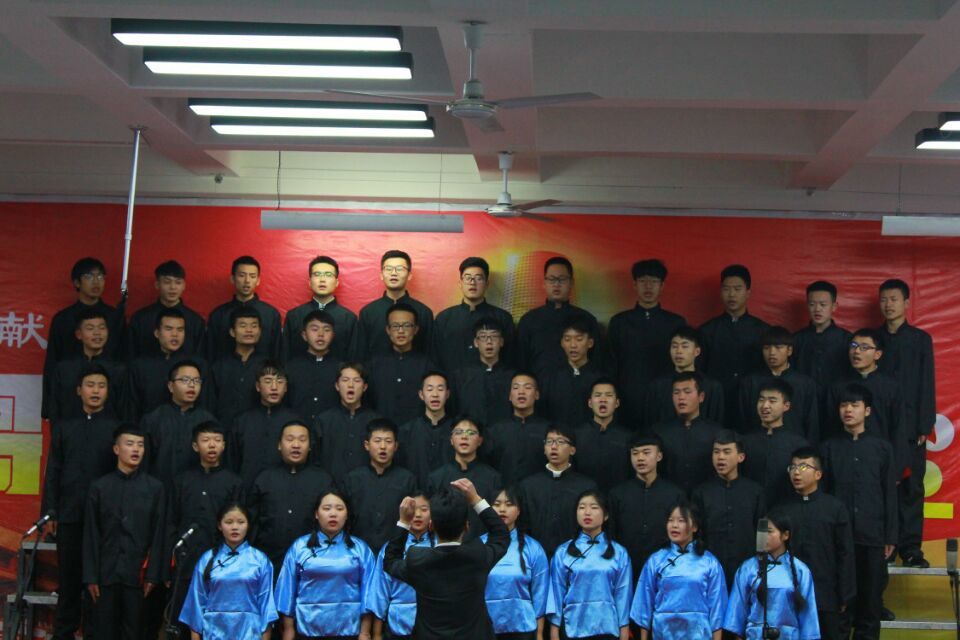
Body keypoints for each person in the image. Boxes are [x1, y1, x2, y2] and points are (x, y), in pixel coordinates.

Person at [42, 364, 119, 640]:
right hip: (70, 513)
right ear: (78, 390)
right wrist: (51, 512)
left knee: (98, 581)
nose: (96, 391)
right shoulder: (65, 427)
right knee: (69, 579)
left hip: (104, 517)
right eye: (90, 385)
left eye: (101, 386)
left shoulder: (116, 428)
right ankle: (64, 633)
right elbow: (53, 471)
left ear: (108, 391)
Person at [383, 478, 510, 639]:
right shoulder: (478, 555)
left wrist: (404, 522)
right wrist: (475, 499)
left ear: (431, 526)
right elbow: (501, 535)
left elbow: (390, 561)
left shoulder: (417, 560)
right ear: (467, 526)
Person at [820, 384, 897, 640]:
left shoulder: (882, 448)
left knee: (870, 603)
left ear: (868, 411)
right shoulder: (828, 447)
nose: (848, 410)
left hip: (872, 535)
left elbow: (889, 494)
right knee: (839, 602)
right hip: (838, 537)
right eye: (844, 405)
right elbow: (824, 495)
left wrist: (890, 535)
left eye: (854, 405)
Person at [82, 425, 166, 640]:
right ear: (116, 449)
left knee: (135, 632)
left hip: (138, 575)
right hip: (105, 575)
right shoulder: (100, 487)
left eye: (140, 445)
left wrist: (153, 574)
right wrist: (91, 576)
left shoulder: (155, 488)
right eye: (130, 444)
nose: (136, 449)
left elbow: (158, 535)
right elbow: (91, 535)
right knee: (103, 632)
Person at [877, 278, 936, 568]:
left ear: (906, 303)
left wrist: (925, 424)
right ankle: (884, 548)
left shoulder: (920, 339)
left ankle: (911, 549)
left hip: (911, 429)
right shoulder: (873, 340)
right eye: (884, 299)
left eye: (894, 299)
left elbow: (927, 382)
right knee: (880, 490)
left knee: (912, 488)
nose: (888, 305)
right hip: (878, 428)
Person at [166, 422, 243, 632]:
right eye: (206, 440)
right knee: (182, 624)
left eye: (217, 440)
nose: (212, 445)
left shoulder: (234, 482)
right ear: (195, 446)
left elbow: (238, 527)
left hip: (221, 565)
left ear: (224, 445)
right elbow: (171, 523)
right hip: (185, 565)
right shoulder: (181, 481)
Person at [275, 490, 376, 639]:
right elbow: (286, 590)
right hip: (306, 631)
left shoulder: (360, 549)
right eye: (327, 508)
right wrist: (288, 630)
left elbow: (369, 593)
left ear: (347, 514)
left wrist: (365, 632)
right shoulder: (299, 547)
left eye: (339, 509)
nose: (333, 514)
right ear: (316, 514)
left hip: (350, 631)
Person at [780, 446, 855, 640]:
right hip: (788, 594)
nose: (796, 472)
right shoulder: (780, 510)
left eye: (803, 467)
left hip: (826, 594)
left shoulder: (835, 508)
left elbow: (845, 553)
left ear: (818, 474)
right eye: (793, 467)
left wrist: (845, 593)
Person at [180, 502, 278, 640]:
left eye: (241, 522)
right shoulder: (207, 559)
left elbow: (267, 606)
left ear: (248, 525)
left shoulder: (260, 560)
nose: (235, 527)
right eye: (229, 522)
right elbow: (196, 603)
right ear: (219, 525)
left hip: (249, 632)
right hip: (214, 632)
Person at [630, 501, 727, 640]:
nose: (674, 525)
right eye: (670, 520)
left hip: (698, 634)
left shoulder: (709, 562)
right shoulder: (656, 560)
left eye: (681, 521)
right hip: (664, 634)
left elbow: (718, 608)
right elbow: (643, 604)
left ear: (694, 527)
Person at [248, 421, 336, 574]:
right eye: (290, 439)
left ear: (309, 446)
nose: (296, 445)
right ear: (279, 445)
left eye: (302, 440)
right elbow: (252, 523)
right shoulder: (264, 479)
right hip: (269, 562)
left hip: (313, 562)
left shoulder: (323, 480)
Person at [607, 259, 686, 428]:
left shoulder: (676, 323)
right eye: (643, 281)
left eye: (654, 281)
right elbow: (611, 364)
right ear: (634, 285)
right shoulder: (619, 322)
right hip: (627, 399)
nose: (648, 287)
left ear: (662, 285)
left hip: (665, 398)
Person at [43, 257, 125, 420]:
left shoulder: (114, 317)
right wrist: (48, 408)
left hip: (107, 395)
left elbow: (123, 355)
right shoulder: (63, 319)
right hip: (70, 392)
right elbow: (52, 361)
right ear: (77, 282)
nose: (96, 281)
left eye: (100, 276)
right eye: (89, 276)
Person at [547, 490, 632, 640]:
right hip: (572, 628)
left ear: (606, 515)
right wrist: (554, 630)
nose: (587, 512)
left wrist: (624, 629)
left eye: (594, 507)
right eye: (582, 507)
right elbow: (556, 593)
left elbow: (623, 594)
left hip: (607, 629)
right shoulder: (563, 552)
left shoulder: (619, 553)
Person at [723, 510, 820, 640]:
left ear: (785, 535)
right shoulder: (747, 569)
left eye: (769, 532)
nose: (763, 537)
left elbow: (809, 621)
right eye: (761, 532)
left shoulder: (801, 570)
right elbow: (737, 616)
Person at [691, 430, 766, 588]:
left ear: (740, 457)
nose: (720, 457)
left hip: (748, 569)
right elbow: (695, 534)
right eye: (716, 452)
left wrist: (760, 563)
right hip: (709, 570)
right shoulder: (701, 492)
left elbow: (762, 531)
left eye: (726, 452)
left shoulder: (755, 492)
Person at [699, 264, 769, 429]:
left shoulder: (763, 331)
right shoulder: (707, 331)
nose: (731, 294)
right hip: (716, 402)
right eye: (726, 289)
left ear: (748, 292)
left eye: (737, 289)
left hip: (752, 401)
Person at [823, 329, 908, 461]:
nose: (856, 351)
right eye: (853, 346)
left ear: (877, 354)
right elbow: (830, 425)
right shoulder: (837, 386)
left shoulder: (891, 387)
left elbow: (898, 429)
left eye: (864, 347)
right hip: (844, 456)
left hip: (879, 457)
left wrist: (896, 466)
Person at [608, 434, 684, 580]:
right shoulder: (617, 494)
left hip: (666, 568)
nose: (640, 458)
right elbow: (612, 533)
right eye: (635, 453)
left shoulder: (675, 494)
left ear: (659, 456)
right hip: (626, 567)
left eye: (646, 452)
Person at [517, 256, 601, 380]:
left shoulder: (587, 319)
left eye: (562, 279)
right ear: (544, 283)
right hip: (539, 388)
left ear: (571, 283)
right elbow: (521, 362)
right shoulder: (529, 320)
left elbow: (597, 361)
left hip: (578, 387)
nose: (556, 284)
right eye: (551, 279)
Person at [140, 359, 218, 492]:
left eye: (196, 381)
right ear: (171, 386)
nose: (192, 385)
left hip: (196, 490)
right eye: (185, 380)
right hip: (160, 488)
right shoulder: (153, 419)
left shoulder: (208, 420)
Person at [518, 427, 598, 556]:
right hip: (535, 556)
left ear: (572, 450)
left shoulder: (586, 486)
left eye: (560, 442)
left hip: (577, 556)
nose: (554, 447)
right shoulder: (527, 486)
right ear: (544, 449)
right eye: (549, 442)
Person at [366, 492, 435, 640]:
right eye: (413, 510)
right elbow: (380, 593)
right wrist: (376, 635)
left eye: (424, 509)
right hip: (398, 628)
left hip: (434, 628)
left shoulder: (440, 545)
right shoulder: (391, 549)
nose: (418, 515)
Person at [483, 487, 549, 640]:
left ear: (519, 510)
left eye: (509, 504)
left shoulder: (533, 548)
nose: (502, 509)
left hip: (522, 629)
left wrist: (539, 634)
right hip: (485, 629)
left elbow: (540, 594)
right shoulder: (479, 545)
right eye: (497, 504)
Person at [342, 418, 418, 551]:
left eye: (388, 441)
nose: (383, 446)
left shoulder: (407, 479)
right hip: (358, 549)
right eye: (377, 441)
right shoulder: (352, 479)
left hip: (397, 550)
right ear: (367, 445)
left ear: (396, 446)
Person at [433, 256, 516, 373]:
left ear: (487, 284)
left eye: (478, 278)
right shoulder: (444, 318)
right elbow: (435, 358)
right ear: (460, 283)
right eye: (468, 278)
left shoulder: (502, 318)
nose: (472, 282)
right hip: (452, 382)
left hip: (492, 381)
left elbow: (511, 358)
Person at [124, 308, 209, 421]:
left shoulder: (198, 365)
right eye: (169, 329)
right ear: (157, 333)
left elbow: (205, 404)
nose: (175, 334)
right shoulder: (140, 366)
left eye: (180, 329)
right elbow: (132, 408)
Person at [739, 326, 819, 441]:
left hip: (795, 446)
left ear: (789, 350)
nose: (772, 352)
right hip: (757, 443)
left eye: (778, 347)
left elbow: (812, 424)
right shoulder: (750, 382)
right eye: (767, 348)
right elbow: (743, 421)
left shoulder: (805, 383)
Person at [45, 307, 126, 422]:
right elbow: (55, 409)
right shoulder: (64, 370)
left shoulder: (119, 370)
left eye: (102, 328)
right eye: (90, 328)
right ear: (79, 334)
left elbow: (124, 410)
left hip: (108, 430)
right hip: (70, 430)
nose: (97, 333)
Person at [428, 416, 502, 538]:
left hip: (483, 545)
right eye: (459, 432)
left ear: (480, 440)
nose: (464, 437)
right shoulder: (436, 477)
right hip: (446, 545)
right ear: (451, 440)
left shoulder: (493, 477)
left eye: (471, 433)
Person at [230, 361, 301, 488]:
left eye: (280, 381)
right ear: (258, 386)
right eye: (268, 381)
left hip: (283, 489)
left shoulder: (295, 422)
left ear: (286, 387)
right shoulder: (242, 421)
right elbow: (232, 461)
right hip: (247, 488)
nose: (274, 387)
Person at [651, 371, 722, 494]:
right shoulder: (659, 432)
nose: (681, 397)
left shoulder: (716, 432)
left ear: (701, 397)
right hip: (668, 498)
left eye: (687, 392)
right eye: (676, 392)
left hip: (706, 498)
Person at [741, 379, 809, 506]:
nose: (765, 406)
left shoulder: (799, 445)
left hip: (787, 510)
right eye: (761, 400)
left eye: (772, 401)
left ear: (786, 406)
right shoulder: (744, 442)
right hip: (749, 508)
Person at [357, 249, 435, 360]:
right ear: (381, 275)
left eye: (400, 269)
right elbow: (361, 354)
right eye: (388, 269)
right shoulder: (368, 313)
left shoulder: (423, 312)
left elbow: (429, 353)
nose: (393, 273)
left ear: (409, 275)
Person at [643, 325, 725, 429]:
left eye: (685, 346)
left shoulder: (712, 387)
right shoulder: (657, 386)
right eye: (674, 346)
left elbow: (717, 426)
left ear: (697, 351)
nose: (679, 351)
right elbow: (650, 426)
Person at [366, 302, 435, 425]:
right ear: (388, 330)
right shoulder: (373, 366)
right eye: (395, 326)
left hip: (416, 432)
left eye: (407, 326)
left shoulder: (427, 366)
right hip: (381, 432)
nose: (401, 331)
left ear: (415, 329)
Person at [205, 255, 282, 361]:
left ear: (258, 280)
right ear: (232, 279)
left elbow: (276, 353)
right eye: (242, 275)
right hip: (225, 370)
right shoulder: (218, 315)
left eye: (252, 276)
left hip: (262, 370)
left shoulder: (271, 314)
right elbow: (210, 353)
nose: (247, 281)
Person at [282, 255, 357, 362]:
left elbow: (353, 359)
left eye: (328, 275)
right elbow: (285, 356)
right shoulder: (294, 316)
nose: (322, 280)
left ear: (336, 282)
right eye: (317, 275)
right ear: (309, 282)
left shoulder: (349, 319)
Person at [126, 260, 205, 358]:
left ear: (184, 286)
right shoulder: (140, 318)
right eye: (167, 282)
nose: (173, 287)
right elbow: (131, 355)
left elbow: (199, 358)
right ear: (157, 284)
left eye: (178, 282)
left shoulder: (195, 321)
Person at [316, 362, 381, 480]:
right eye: (345, 380)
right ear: (337, 386)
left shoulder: (376, 421)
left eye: (356, 381)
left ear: (365, 387)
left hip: (367, 485)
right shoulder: (323, 421)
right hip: (331, 487)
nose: (350, 385)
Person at [485, 372, 552, 485]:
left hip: (540, 490)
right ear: (510, 396)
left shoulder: (548, 430)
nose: (521, 392)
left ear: (536, 395)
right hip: (503, 491)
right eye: (516, 388)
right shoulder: (495, 431)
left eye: (527, 387)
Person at [540, 318, 608, 429]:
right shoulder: (549, 377)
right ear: (562, 343)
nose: (573, 345)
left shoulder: (601, 378)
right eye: (567, 339)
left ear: (590, 343)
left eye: (579, 339)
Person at [207, 307, 267, 431]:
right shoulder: (219, 366)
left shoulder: (268, 365)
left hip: (259, 430)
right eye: (243, 326)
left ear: (260, 331)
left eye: (254, 326)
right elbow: (210, 404)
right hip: (224, 430)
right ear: (232, 332)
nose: (249, 330)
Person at [452, 317, 517, 428]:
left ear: (501, 342)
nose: (489, 342)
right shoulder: (461, 376)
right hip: (471, 434)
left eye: (494, 336)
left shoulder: (513, 376)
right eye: (483, 337)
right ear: (476, 342)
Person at [573, 378, 633, 492]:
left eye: (609, 395)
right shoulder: (577, 435)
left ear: (617, 403)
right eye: (598, 395)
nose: (603, 400)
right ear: (590, 403)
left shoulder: (628, 437)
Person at [398, 371, 456, 489]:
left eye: (440, 389)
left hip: (450, 495)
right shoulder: (406, 431)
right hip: (415, 495)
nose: (435, 394)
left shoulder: (457, 431)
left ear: (447, 394)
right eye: (430, 389)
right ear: (421, 394)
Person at [792, 281, 852, 393]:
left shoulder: (846, 339)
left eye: (823, 304)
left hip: (837, 398)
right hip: (805, 397)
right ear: (807, 305)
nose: (817, 309)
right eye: (812, 304)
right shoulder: (796, 339)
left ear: (834, 306)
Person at [284, 309, 341, 427]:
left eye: (326, 330)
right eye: (314, 329)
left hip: (331, 430)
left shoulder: (341, 369)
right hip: (297, 431)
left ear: (333, 335)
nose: (321, 334)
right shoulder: (290, 367)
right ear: (304, 335)